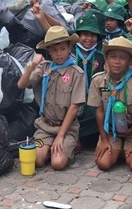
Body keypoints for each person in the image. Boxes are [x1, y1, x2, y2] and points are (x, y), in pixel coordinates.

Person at [18, 27, 86, 170]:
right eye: (54, 50)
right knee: (36, 161)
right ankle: (49, 147)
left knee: (58, 164)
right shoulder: (44, 68)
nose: (58, 53)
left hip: (66, 128)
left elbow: (74, 107)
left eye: (62, 49)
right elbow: (22, 85)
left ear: (69, 48)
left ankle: (68, 146)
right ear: (48, 51)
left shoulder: (76, 73)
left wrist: (61, 136)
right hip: (45, 126)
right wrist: (31, 67)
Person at [90, 37, 132, 173]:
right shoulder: (98, 80)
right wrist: (104, 139)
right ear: (106, 59)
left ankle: (127, 149)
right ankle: (118, 150)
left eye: (122, 58)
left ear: (130, 61)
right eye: (113, 57)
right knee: (103, 164)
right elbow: (99, 112)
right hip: (110, 131)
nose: (117, 62)